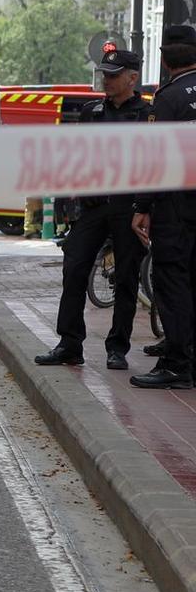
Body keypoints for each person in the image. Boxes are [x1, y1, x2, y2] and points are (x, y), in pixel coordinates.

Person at [37, 48, 149, 372]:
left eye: (114, 75)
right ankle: (69, 344)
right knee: (74, 269)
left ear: (132, 77)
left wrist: (147, 207)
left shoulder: (146, 114)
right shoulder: (92, 111)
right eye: (105, 75)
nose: (107, 80)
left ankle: (118, 348)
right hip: (94, 206)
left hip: (128, 206)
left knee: (125, 278)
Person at [132, 26, 196, 390]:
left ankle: (175, 364)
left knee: (173, 282)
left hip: (177, 206)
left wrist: (143, 205)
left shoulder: (168, 98)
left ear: (164, 57)